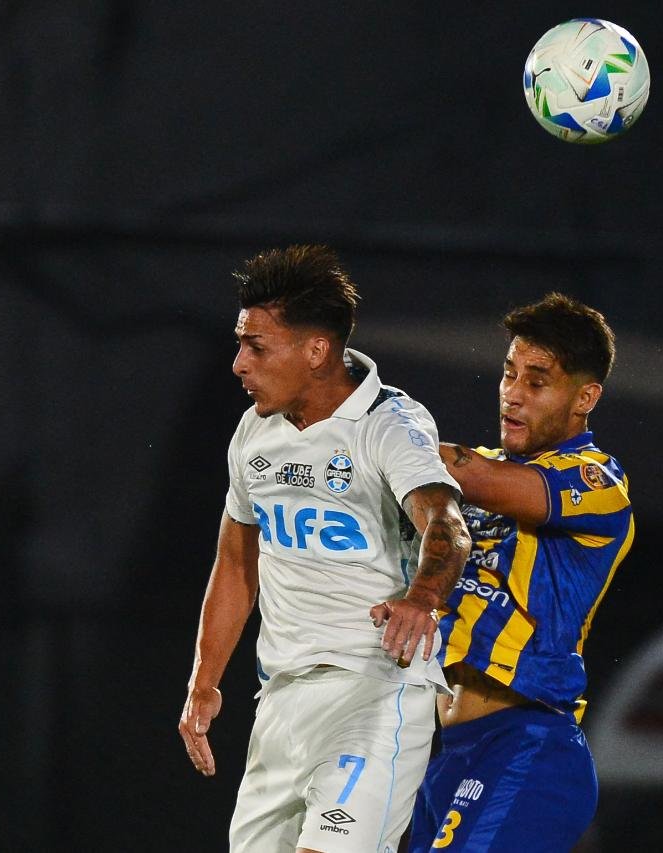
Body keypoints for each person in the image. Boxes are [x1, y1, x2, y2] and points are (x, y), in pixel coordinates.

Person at [178, 245, 472, 853]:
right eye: (239, 343)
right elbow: (236, 562)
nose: (238, 363)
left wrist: (422, 598)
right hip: (281, 701)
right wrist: (205, 680)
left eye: (256, 347)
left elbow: (446, 522)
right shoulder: (254, 433)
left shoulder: (389, 423)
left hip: (375, 691)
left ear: (317, 351)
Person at [408, 293, 634, 852]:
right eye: (509, 373)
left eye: (537, 381)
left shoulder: (599, 482)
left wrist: (376, 438)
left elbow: (485, 479)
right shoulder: (478, 470)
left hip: (529, 746)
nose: (512, 393)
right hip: (443, 755)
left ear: (585, 397)